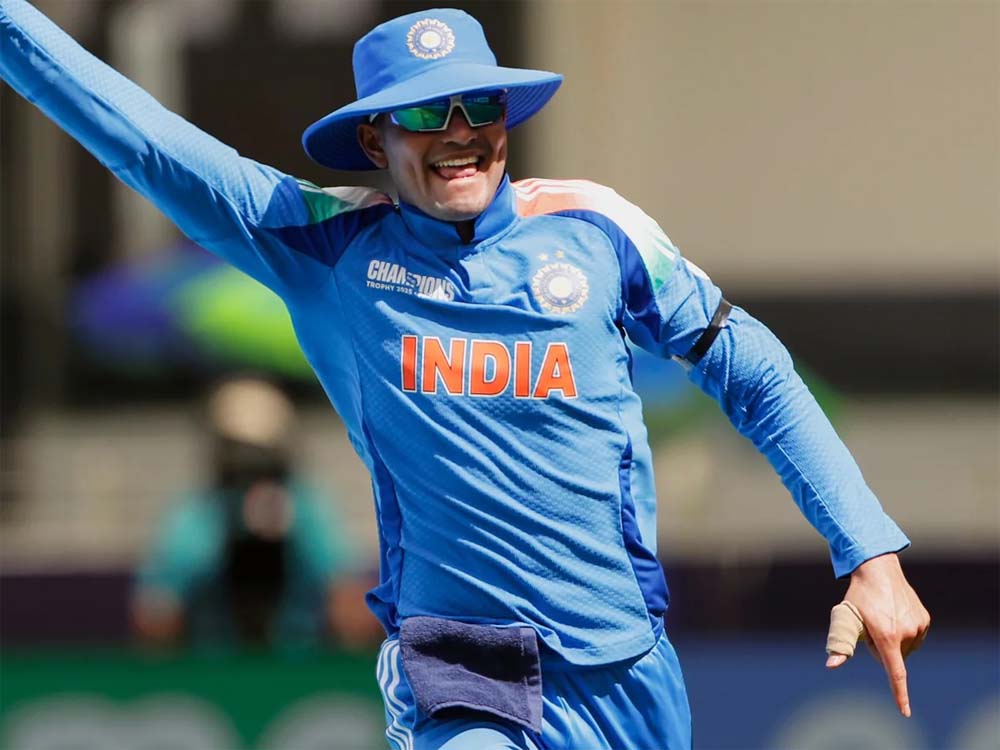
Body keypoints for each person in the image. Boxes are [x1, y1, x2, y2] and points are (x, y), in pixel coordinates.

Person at [1, 3, 930, 748]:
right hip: (463, 670)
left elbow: (753, 371)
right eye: (422, 114)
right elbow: (143, 139)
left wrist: (869, 555)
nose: (457, 134)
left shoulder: (596, 230)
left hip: (628, 669)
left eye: (478, 107)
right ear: (374, 142)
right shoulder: (329, 248)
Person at [132, 375, 378, 651]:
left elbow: (355, 613)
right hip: (213, 664)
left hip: (295, 663)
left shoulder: (306, 507)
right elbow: (155, 618)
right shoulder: (198, 512)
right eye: (237, 447)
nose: (247, 462)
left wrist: (296, 547)